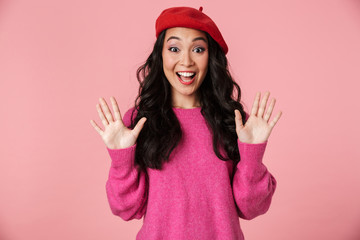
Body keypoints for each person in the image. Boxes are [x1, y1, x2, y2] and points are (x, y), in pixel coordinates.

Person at [90, 6, 282, 240]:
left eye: (198, 49)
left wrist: (252, 157)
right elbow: (126, 209)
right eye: (174, 48)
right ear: (160, 56)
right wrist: (121, 160)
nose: (186, 61)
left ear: (210, 57)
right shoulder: (139, 122)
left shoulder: (235, 122)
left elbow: (252, 208)